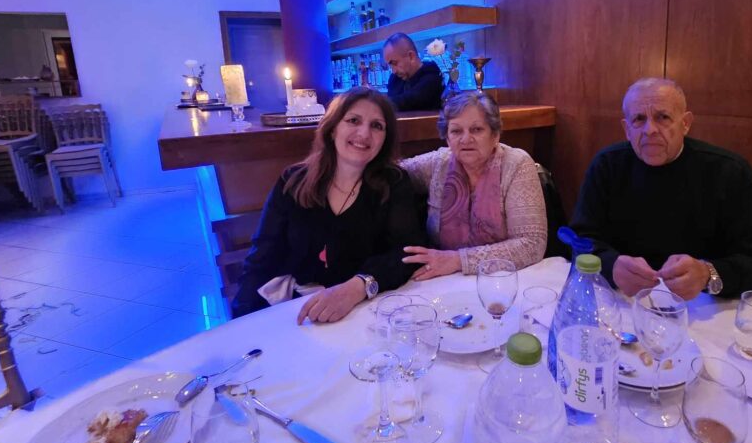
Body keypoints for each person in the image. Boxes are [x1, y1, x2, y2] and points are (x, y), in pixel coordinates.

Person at [571, 77, 752, 300]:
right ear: (627, 129)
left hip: (705, 308)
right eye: (639, 119)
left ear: (685, 123)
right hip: (624, 302)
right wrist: (610, 265)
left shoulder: (729, 172)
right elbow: (578, 240)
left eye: (662, 117)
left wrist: (708, 273)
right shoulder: (607, 166)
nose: (650, 130)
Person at [232, 87, 426, 322]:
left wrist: (359, 285)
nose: (364, 133)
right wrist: (240, 318)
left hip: (363, 311)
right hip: (298, 310)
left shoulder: (394, 183)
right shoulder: (293, 181)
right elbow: (262, 256)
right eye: (353, 120)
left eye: (377, 126)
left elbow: (406, 253)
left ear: (385, 138)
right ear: (333, 128)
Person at [400, 92, 547, 280]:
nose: (465, 139)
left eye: (476, 129)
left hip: (503, 278)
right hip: (444, 280)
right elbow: (394, 172)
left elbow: (532, 244)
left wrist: (457, 261)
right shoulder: (439, 163)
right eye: (456, 131)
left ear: (495, 134)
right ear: (447, 138)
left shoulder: (516, 164)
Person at [383, 32, 443, 111]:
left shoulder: (432, 76)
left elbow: (412, 101)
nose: (393, 71)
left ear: (411, 56)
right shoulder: (395, 79)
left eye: (395, 63)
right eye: (390, 66)